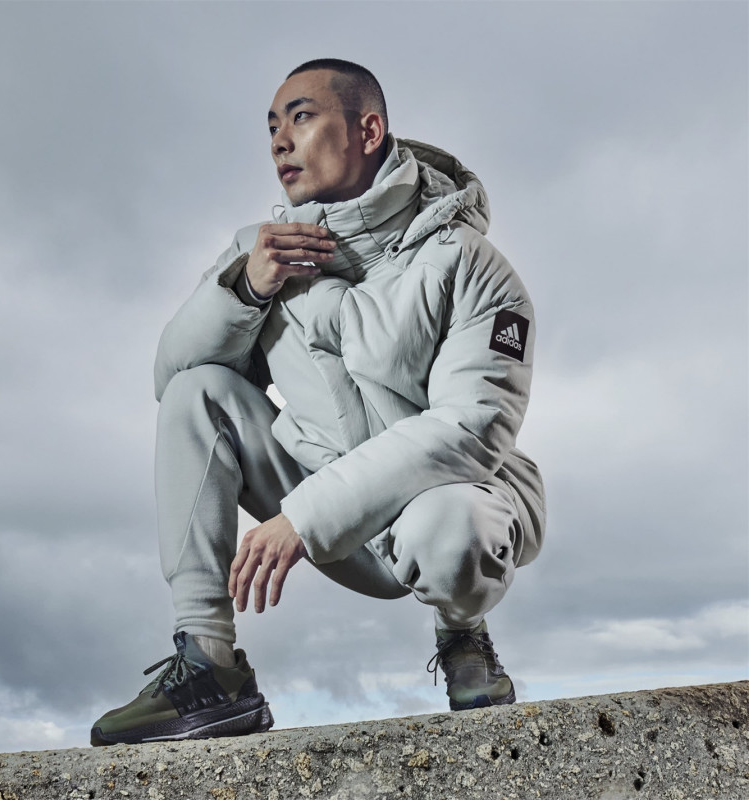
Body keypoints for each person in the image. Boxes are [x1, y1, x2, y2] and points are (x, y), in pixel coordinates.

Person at [90, 58, 546, 747]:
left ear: (369, 130)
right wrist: (247, 288)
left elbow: (469, 431)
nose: (280, 140)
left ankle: (463, 636)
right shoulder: (262, 251)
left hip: (444, 508)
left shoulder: (472, 264)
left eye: (301, 117)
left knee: (449, 526)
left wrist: (302, 518)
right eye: (272, 126)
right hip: (331, 499)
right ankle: (210, 668)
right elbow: (171, 378)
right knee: (196, 391)